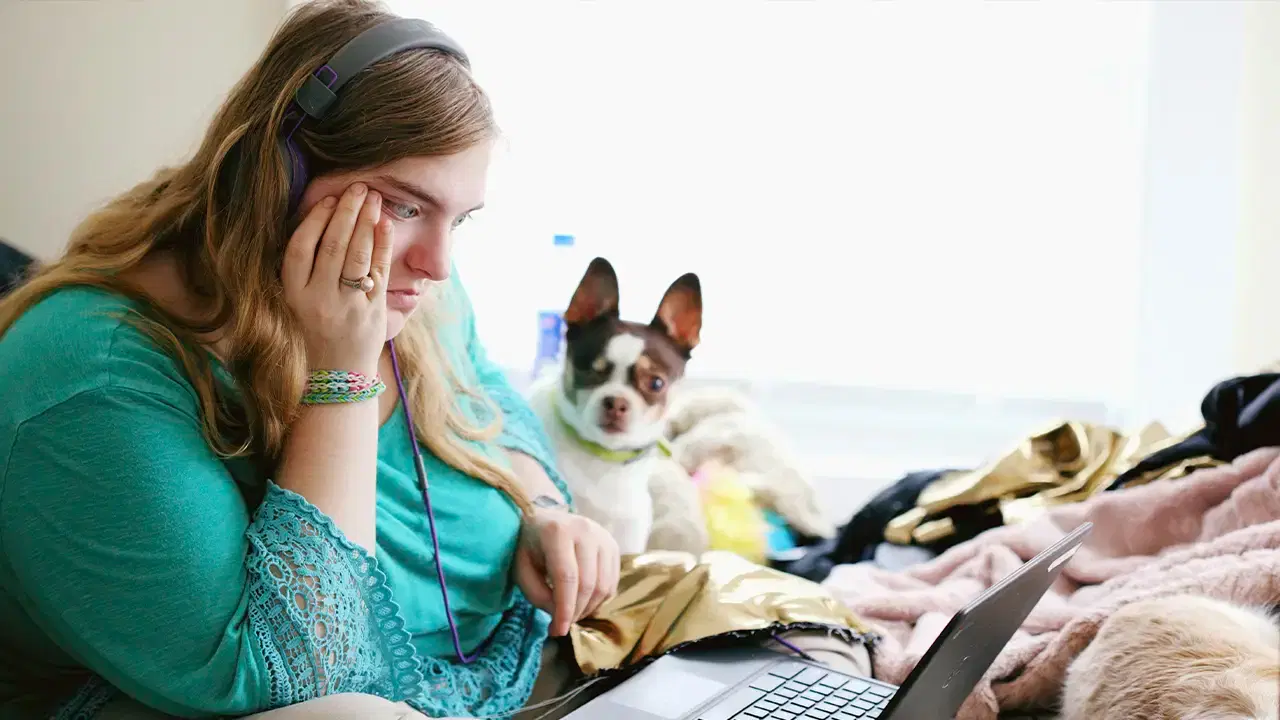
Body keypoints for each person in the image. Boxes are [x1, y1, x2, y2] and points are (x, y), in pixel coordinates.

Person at [0, 1, 620, 718]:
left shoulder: (408, 282)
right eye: (404, 206)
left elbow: (490, 400)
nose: (438, 264)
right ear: (280, 174)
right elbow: (304, 676)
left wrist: (541, 508)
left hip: (512, 663)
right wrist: (341, 375)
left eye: (460, 218)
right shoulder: (93, 378)